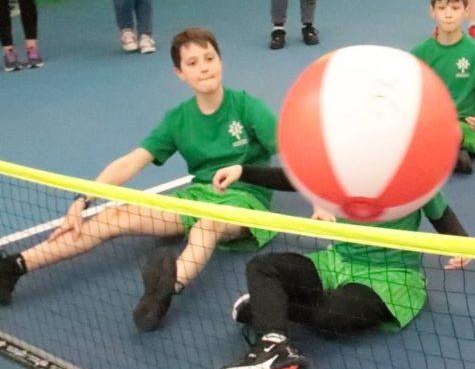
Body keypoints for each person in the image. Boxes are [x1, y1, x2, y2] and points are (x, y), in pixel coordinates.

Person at [0, 28, 279, 330]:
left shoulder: (248, 108)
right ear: (180, 73)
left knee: (206, 226)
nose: (204, 67)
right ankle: (14, 266)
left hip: (246, 200)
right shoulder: (178, 119)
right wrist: (82, 200)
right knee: (115, 216)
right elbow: (131, 162)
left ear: (220, 61)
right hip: (198, 195)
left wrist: (322, 199)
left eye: (209, 58)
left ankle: (164, 292)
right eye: (193, 63)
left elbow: (293, 151)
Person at [210, 164, 471, 369]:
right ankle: (276, 346)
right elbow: (298, 180)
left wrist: (463, 244)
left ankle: (269, 307)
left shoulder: (415, 179)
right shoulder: (346, 167)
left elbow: (441, 214)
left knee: (331, 316)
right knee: (263, 266)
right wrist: (244, 171)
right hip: (338, 261)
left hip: (390, 277)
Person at [412, 0, 475, 174]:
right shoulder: (419, 53)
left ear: (466, 11)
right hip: (431, 123)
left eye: (455, 8)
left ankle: (448, 153)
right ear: (432, 11)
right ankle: (448, 156)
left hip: (464, 127)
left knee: (455, 132)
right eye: (442, 8)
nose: (448, 14)